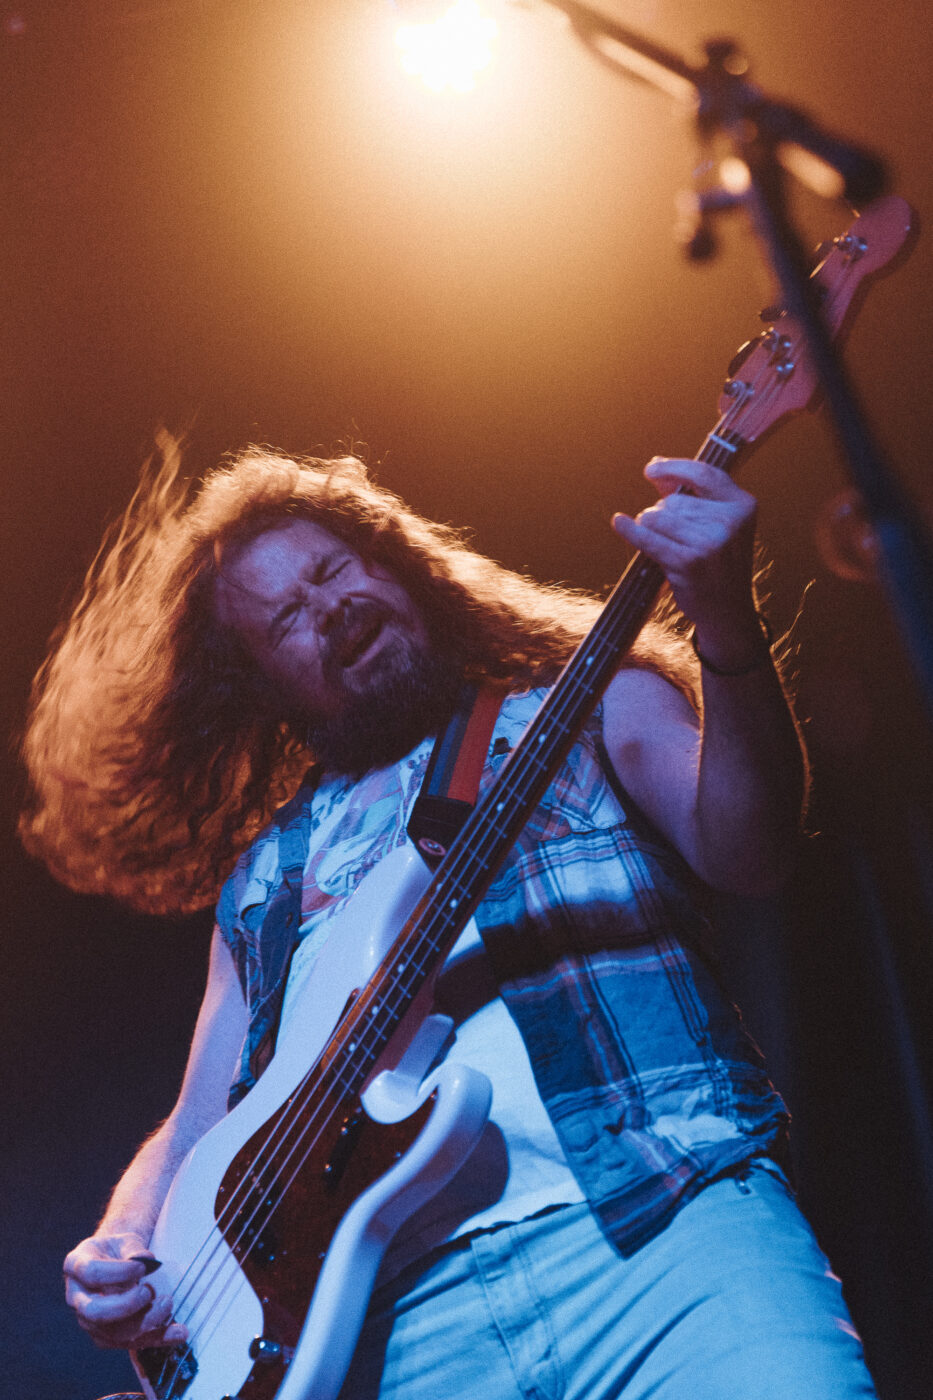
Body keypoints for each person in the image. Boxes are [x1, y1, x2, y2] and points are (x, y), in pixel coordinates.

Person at [22, 438, 877, 1398]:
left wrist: (724, 626)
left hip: (661, 1227)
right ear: (261, 687)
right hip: (389, 1329)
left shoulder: (586, 703)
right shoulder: (266, 879)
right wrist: (123, 1241)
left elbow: (749, 848)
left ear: (396, 564)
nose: (329, 608)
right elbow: (196, 1122)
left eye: (333, 570)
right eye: (285, 619)